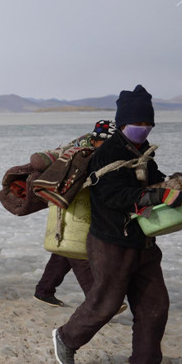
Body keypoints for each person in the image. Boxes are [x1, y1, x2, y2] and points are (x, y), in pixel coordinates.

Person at [53, 85, 182, 364]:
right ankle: (65, 338)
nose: (143, 128)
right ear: (123, 122)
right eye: (138, 123)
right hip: (111, 243)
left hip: (143, 242)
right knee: (106, 303)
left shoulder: (142, 152)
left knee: (155, 305)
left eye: (148, 123)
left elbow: (154, 181)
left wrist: (180, 188)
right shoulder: (108, 154)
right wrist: (158, 197)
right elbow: (114, 195)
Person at [34, 120, 116, 307]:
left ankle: (44, 290)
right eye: (105, 143)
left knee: (65, 250)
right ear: (95, 141)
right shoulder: (82, 155)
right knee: (77, 251)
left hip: (78, 207)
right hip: (69, 206)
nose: (109, 147)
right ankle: (99, 302)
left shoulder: (104, 154)